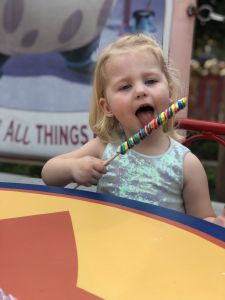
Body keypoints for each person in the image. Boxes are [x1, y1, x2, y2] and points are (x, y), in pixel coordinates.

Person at [42, 33, 225, 226]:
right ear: (107, 107)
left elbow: (203, 224)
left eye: (151, 81)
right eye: (125, 86)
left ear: (170, 93)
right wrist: (73, 168)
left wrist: (218, 224)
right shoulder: (104, 148)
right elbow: (48, 174)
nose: (140, 91)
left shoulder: (186, 164)